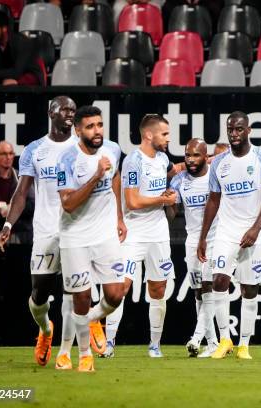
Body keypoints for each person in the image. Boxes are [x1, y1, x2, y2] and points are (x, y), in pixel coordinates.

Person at [0, 96, 79, 369]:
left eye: (73, 110)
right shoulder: (34, 149)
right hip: (45, 230)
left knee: (74, 288)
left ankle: (72, 346)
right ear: (51, 112)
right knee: (39, 294)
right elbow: (22, 192)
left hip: (76, 228)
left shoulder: (82, 146)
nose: (70, 113)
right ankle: (45, 330)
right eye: (65, 109)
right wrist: (8, 224)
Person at [197, 111, 261, 360]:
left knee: (249, 288)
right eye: (230, 129)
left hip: (255, 230)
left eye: (239, 129)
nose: (234, 133)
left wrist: (255, 229)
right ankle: (225, 340)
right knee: (219, 280)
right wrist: (203, 236)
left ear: (249, 130)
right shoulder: (219, 163)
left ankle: (244, 344)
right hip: (226, 231)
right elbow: (213, 200)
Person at [55, 105, 126, 372]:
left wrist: (119, 216)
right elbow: (68, 204)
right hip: (75, 237)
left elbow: (116, 177)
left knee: (116, 294)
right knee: (81, 298)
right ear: (77, 130)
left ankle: (91, 320)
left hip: (105, 234)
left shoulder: (113, 149)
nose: (97, 131)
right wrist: (96, 176)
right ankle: (83, 354)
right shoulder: (65, 160)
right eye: (90, 126)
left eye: (99, 125)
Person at [101, 114, 178, 358]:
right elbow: (132, 201)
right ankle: (109, 342)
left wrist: (168, 191)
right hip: (133, 233)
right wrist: (163, 199)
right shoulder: (133, 161)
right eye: (164, 134)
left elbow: (164, 179)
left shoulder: (163, 159)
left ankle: (154, 345)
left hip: (158, 234)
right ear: (149, 135)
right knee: (120, 287)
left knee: (158, 288)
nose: (168, 138)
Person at [168, 139, 219, 358]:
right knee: (198, 290)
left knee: (208, 285)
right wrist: (167, 202)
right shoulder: (179, 180)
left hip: (215, 238)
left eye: (196, 155)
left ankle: (197, 337)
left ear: (206, 156)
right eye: (188, 155)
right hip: (192, 241)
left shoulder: (215, 176)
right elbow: (171, 215)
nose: (191, 159)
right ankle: (213, 343)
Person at [0, 10, 44, 86]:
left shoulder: (21, 42)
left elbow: (17, 72)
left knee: (8, 83)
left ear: (4, 28)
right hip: (5, 78)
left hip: (26, 76)